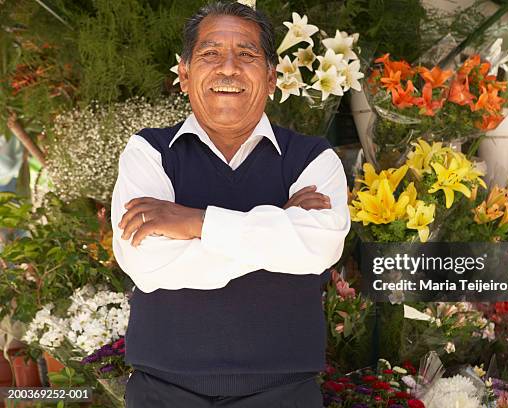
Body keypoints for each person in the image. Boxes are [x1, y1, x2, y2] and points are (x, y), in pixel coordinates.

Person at [110, 2, 351, 407]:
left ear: (272, 76)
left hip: (285, 394)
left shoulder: (313, 158)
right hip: (162, 393)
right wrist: (282, 229)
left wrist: (195, 223)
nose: (228, 68)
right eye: (209, 54)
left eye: (247, 54)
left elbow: (322, 248)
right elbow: (147, 265)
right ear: (184, 75)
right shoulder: (149, 151)